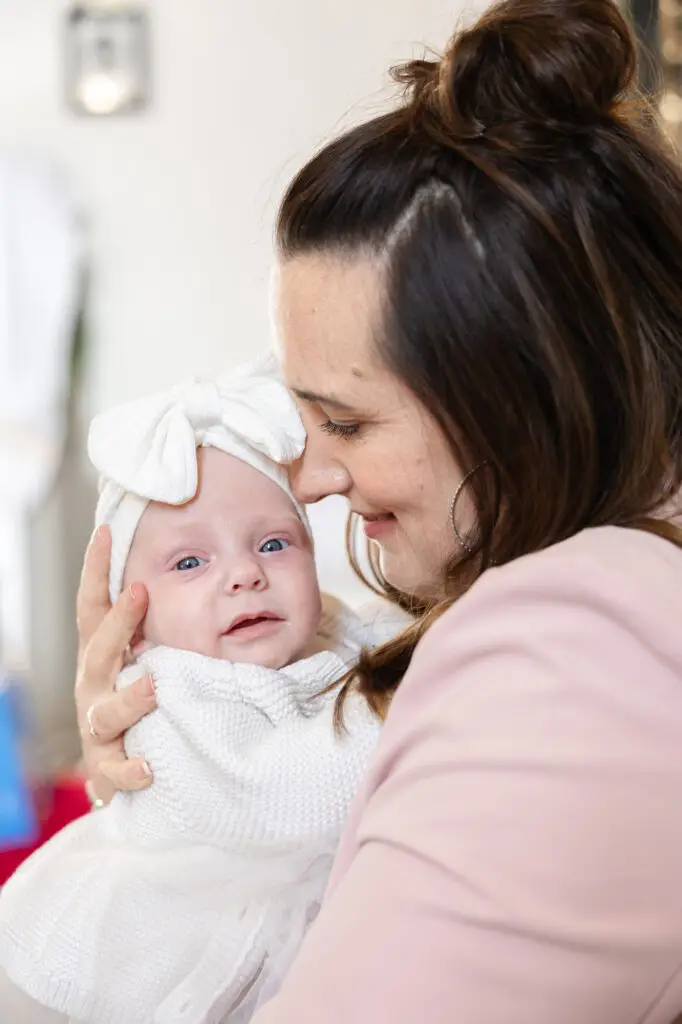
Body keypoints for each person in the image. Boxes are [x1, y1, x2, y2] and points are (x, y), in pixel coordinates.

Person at [75, 0, 682, 1020]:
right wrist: (165, 765)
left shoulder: (578, 640)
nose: (306, 477)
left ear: (514, 405)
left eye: (344, 423)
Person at [0, 369, 384, 1024]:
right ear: (133, 626)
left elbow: (388, 641)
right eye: (189, 563)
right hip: (176, 933)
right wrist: (400, 713)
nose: (244, 573)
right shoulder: (168, 691)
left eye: (273, 543)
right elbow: (285, 800)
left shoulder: (331, 633)